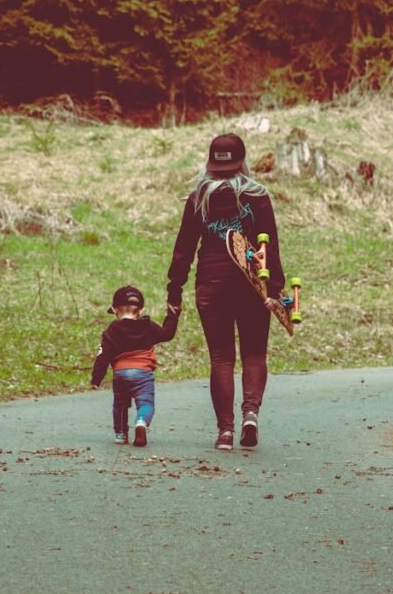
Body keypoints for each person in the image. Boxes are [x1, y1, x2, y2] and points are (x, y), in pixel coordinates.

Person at [166, 133, 284, 451]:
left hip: (211, 284)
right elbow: (268, 245)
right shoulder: (258, 196)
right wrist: (277, 289)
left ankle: (225, 433)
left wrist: (174, 289)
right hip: (252, 284)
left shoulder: (198, 198)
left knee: (221, 358)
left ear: (209, 162)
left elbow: (183, 249)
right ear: (243, 162)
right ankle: (250, 415)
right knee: (254, 354)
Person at [91, 285, 180, 447]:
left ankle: (120, 434)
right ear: (139, 310)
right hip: (143, 373)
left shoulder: (112, 329)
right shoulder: (148, 326)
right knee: (146, 403)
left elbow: (102, 355)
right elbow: (168, 333)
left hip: (121, 373)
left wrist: (96, 378)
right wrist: (172, 314)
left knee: (120, 404)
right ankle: (140, 422)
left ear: (114, 310)